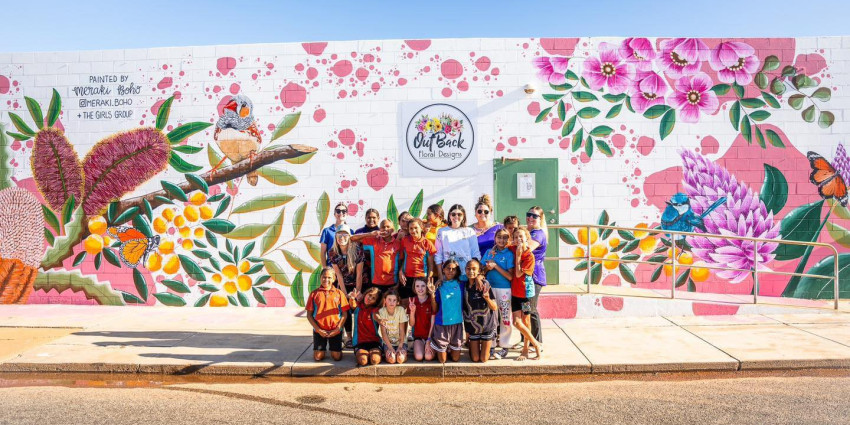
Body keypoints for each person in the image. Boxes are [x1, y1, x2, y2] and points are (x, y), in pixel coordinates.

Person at [328, 225, 366, 349]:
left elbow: (359, 273)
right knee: (346, 308)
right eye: (339, 235)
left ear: (349, 237)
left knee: (360, 308)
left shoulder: (357, 249)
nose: (342, 238)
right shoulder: (333, 252)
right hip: (343, 284)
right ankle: (349, 337)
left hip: (359, 283)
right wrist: (344, 294)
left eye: (345, 235)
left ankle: (361, 336)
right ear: (336, 237)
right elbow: (338, 274)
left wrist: (357, 293)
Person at [482, 228, 514, 359]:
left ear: (509, 239)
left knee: (505, 317)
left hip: (504, 289)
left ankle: (505, 345)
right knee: (491, 318)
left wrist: (496, 266)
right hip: (490, 288)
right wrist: (487, 268)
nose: (502, 240)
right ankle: (492, 344)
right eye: (499, 237)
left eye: (505, 237)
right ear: (495, 238)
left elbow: (510, 276)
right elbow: (482, 271)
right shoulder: (489, 252)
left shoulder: (509, 254)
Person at [511, 228, 542, 361]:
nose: (518, 239)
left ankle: (526, 349)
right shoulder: (512, 248)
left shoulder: (529, 256)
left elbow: (518, 274)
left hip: (525, 294)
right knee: (516, 323)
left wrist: (518, 256)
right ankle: (536, 343)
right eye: (516, 236)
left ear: (527, 238)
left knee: (525, 321)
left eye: (521, 237)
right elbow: (501, 244)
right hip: (515, 293)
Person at [306, 267, 349, 362]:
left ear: (334, 279)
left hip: (335, 330)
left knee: (337, 357)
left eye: (329, 277)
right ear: (320, 278)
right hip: (320, 330)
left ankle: (337, 345)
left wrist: (338, 329)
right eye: (324, 277)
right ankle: (321, 348)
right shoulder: (314, 294)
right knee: (318, 357)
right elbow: (309, 315)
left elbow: (344, 314)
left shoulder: (339, 293)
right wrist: (318, 329)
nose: (326, 280)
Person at [462, 259, 498, 363]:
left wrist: (487, 298)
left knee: (483, 359)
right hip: (473, 326)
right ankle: (473, 345)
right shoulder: (464, 285)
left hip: (487, 324)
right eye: (468, 269)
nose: (471, 271)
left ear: (479, 271)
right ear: (465, 270)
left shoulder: (484, 284)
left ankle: (489, 345)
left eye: (474, 269)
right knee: (475, 358)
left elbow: (494, 307)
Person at [352, 219, 400, 295]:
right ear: (379, 229)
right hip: (376, 282)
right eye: (383, 227)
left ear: (392, 230)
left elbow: (401, 263)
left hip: (392, 283)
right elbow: (352, 239)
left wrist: (398, 284)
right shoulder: (374, 241)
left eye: (388, 227)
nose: (385, 229)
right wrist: (370, 234)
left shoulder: (398, 244)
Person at [430, 260, 465, 363]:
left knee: (455, 358)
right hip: (441, 324)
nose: (451, 271)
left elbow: (475, 275)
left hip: (456, 324)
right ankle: (440, 346)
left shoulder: (461, 284)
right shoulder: (438, 286)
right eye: (448, 268)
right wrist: (432, 295)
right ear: (443, 269)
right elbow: (435, 309)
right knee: (442, 361)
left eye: (454, 269)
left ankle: (449, 347)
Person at [398, 218, 436, 307]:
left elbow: (431, 265)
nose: (413, 230)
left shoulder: (427, 243)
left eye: (416, 228)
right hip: (407, 278)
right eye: (411, 228)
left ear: (421, 228)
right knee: (405, 304)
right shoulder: (404, 241)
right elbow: (403, 259)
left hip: (421, 278)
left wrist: (428, 280)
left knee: (420, 305)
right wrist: (400, 271)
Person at [435, 204, 480, 280]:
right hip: (449, 274)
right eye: (453, 214)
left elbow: (475, 253)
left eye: (459, 214)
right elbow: (438, 256)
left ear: (463, 216)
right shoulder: (442, 231)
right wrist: (440, 275)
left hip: (466, 274)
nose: (456, 217)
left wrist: (476, 275)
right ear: (450, 215)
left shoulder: (470, 231)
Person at [526, 206, 548, 345]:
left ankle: (537, 342)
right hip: (526, 277)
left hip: (535, 276)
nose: (531, 218)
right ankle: (526, 340)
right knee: (525, 309)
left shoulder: (537, 234)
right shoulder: (529, 232)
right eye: (529, 215)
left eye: (535, 216)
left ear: (541, 219)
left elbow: (526, 249)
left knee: (531, 309)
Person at [348, 287, 383, 366]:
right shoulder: (358, 306)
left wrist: (380, 320)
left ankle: (376, 353)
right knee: (363, 361)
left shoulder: (375, 309)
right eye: (369, 295)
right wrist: (352, 297)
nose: (370, 298)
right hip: (359, 342)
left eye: (373, 298)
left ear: (375, 301)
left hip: (374, 342)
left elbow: (376, 315)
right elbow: (352, 304)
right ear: (365, 294)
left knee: (374, 360)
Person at [377, 290, 409, 364]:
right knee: (392, 360)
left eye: (394, 300)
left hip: (401, 342)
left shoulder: (400, 310)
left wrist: (400, 347)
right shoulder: (382, 311)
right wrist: (390, 348)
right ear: (385, 300)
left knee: (400, 359)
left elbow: (402, 330)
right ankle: (386, 355)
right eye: (389, 300)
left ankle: (404, 355)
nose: (392, 302)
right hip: (388, 343)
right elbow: (383, 333)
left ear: (397, 302)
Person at [408, 278, 436, 362]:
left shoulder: (431, 301)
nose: (420, 289)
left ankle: (433, 348)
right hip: (418, 336)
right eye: (417, 286)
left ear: (427, 287)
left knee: (428, 357)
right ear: (414, 288)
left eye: (423, 286)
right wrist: (412, 312)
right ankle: (418, 346)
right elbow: (411, 324)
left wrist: (429, 340)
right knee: (419, 356)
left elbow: (433, 323)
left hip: (431, 337)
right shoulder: (413, 301)